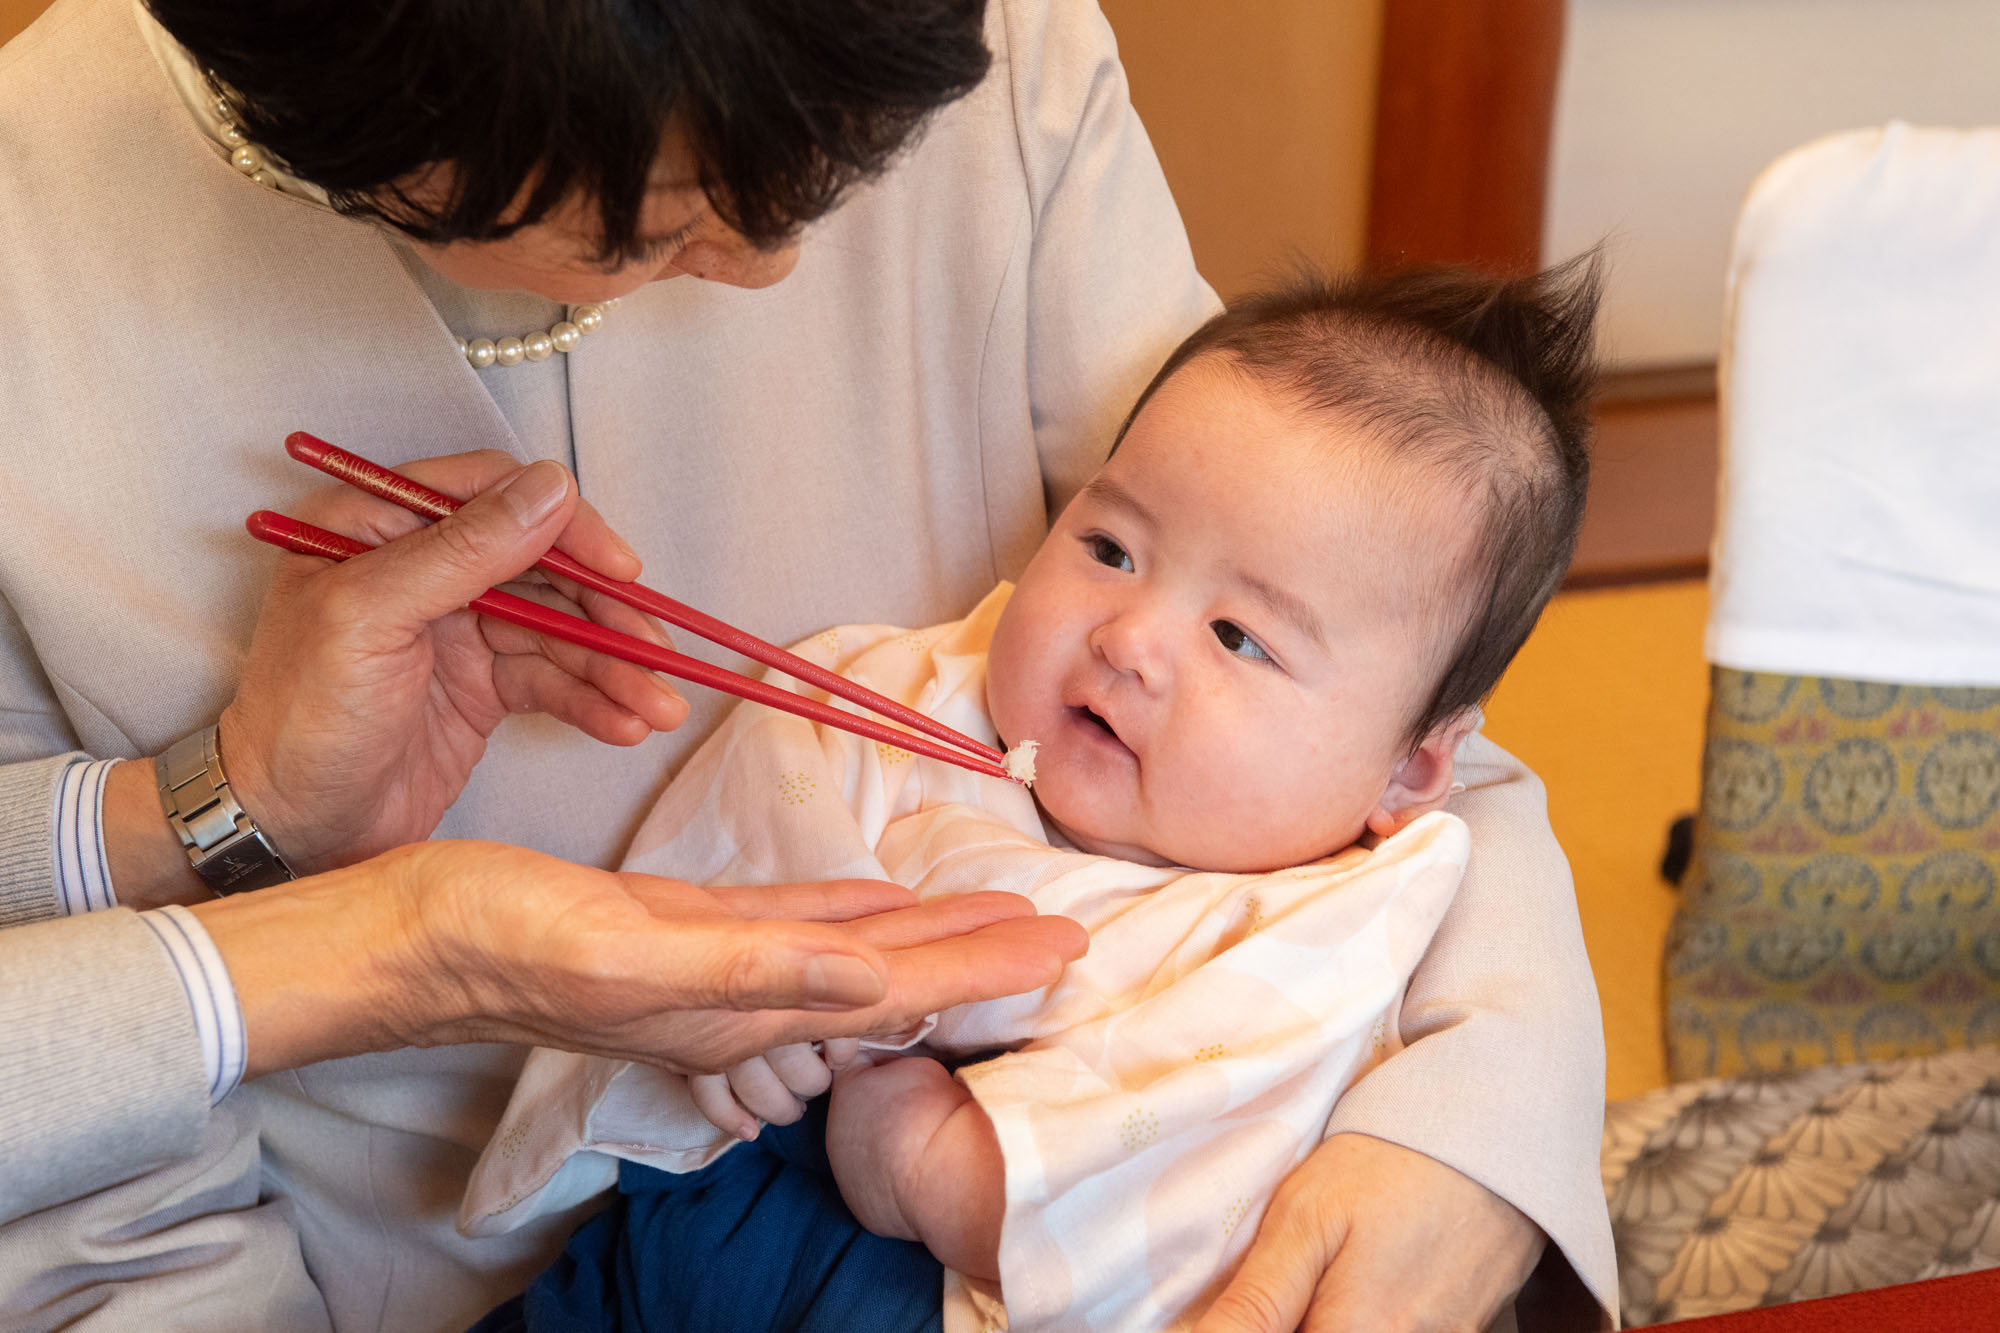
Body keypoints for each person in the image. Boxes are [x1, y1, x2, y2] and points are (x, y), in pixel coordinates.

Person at [0, 0, 1613, 1329]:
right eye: (666, 223)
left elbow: (1376, 674)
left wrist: (1468, 1128)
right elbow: (73, 1125)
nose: (776, 271)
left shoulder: (972, 44)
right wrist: (224, 813)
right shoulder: (37, 248)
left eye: (842, 176)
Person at [456, 259, 1605, 1332]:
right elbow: (723, 875)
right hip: (676, 1234)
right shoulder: (907, 695)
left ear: (1406, 769)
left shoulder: (1323, 931)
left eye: (1238, 637)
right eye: (1110, 547)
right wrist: (728, 1027)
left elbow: (1190, 1192)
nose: (1131, 638)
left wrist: (930, 1164)